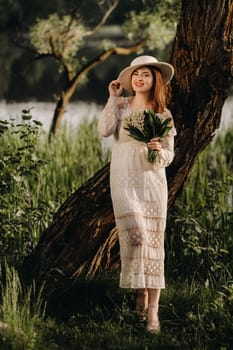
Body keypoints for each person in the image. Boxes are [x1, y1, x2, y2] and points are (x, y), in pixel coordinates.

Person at [98, 55, 176, 332]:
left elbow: (169, 155)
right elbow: (105, 130)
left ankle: (152, 310)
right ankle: (140, 291)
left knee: (154, 243)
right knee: (138, 237)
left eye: (146, 74)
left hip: (152, 183)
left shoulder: (162, 114)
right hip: (123, 181)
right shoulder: (120, 105)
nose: (140, 78)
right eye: (136, 74)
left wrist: (159, 150)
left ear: (155, 80)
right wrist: (111, 96)